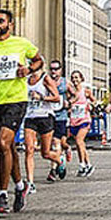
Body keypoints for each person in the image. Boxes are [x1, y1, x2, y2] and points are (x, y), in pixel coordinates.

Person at [0, 8, 42, 215]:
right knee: (8, 148)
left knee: (3, 142)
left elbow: (39, 60)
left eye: (1, 21)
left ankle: (2, 194)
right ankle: (20, 187)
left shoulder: (22, 44)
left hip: (16, 100)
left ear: (10, 24)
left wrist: (28, 70)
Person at [22, 65, 63, 193]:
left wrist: (42, 97)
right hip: (30, 117)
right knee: (29, 150)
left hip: (45, 116)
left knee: (45, 153)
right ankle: (30, 183)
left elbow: (56, 97)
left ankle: (59, 160)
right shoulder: (25, 80)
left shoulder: (45, 79)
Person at [66, 70, 94, 176]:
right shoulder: (70, 93)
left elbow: (93, 101)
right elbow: (68, 104)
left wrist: (89, 105)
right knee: (80, 145)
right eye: (73, 78)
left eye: (77, 77)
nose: (74, 80)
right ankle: (89, 165)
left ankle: (82, 165)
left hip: (84, 120)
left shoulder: (86, 91)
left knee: (79, 141)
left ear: (81, 79)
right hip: (74, 121)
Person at [46, 59, 69, 181]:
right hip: (49, 115)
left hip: (61, 116)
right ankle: (61, 160)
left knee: (56, 142)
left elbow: (74, 94)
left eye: (56, 69)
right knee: (49, 145)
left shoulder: (65, 83)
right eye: (52, 69)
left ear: (60, 70)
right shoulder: (46, 81)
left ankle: (53, 170)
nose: (53, 71)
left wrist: (68, 103)